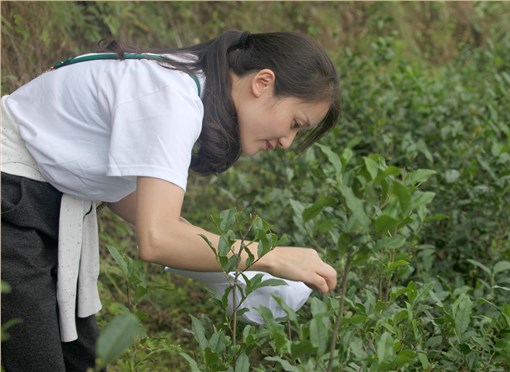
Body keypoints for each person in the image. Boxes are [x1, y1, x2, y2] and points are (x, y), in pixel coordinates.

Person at [1, 30, 340, 371]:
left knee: (85, 362)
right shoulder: (173, 101)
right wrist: (270, 257)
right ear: (263, 82)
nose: (287, 142)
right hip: (12, 197)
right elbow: (157, 240)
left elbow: (137, 208)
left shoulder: (185, 81)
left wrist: (235, 273)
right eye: (295, 123)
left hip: (38, 200)